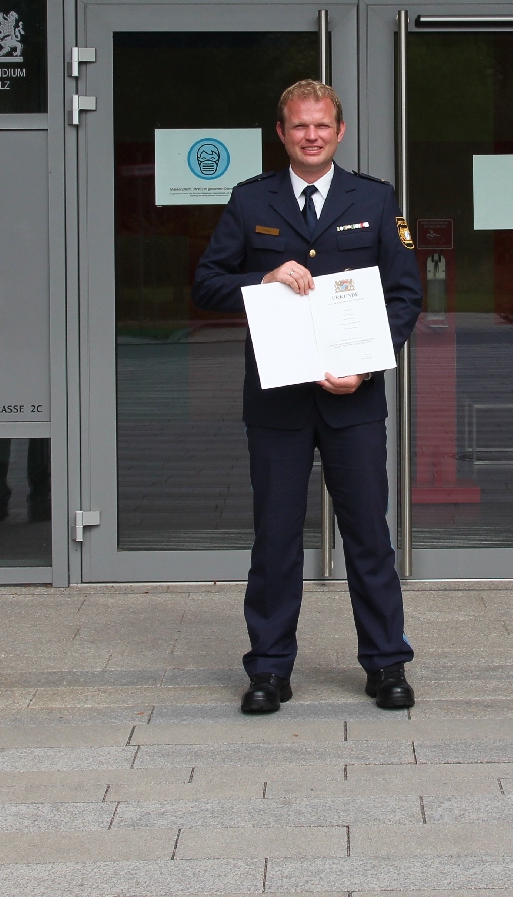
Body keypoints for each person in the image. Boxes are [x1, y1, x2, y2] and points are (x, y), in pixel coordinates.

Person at [194, 80, 422, 714]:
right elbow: (207, 283)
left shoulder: (375, 200)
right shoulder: (250, 201)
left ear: (339, 131)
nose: (311, 135)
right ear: (282, 133)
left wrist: (367, 369)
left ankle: (385, 663)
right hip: (279, 404)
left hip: (352, 401)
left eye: (322, 125)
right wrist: (260, 277)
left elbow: (405, 297)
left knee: (368, 536)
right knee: (274, 539)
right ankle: (268, 669)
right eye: (299, 127)